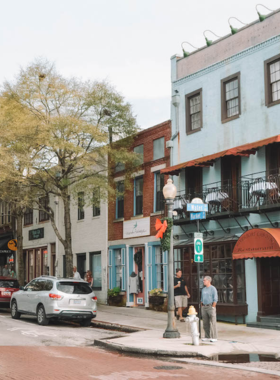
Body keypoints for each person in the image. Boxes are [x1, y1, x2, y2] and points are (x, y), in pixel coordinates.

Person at [201, 276, 218, 342]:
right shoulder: (203, 289)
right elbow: (201, 299)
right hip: (204, 307)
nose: (203, 281)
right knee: (205, 323)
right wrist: (202, 305)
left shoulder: (213, 288)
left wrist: (213, 307)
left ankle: (214, 337)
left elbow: (215, 299)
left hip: (210, 306)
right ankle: (207, 336)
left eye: (204, 280)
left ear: (208, 281)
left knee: (212, 322)